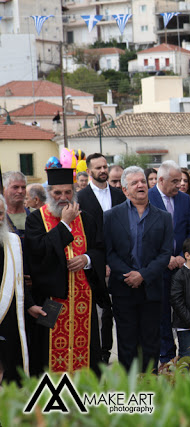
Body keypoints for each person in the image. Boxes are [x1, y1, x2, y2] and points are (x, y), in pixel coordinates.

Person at [25, 167, 107, 375]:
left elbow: (99, 249)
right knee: (46, 353)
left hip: (83, 300)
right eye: (57, 193)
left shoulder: (87, 219)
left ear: (74, 192)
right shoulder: (36, 219)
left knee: (86, 352)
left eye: (67, 192)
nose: (63, 197)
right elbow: (39, 255)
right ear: (49, 193)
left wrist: (87, 259)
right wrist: (64, 224)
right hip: (51, 300)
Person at [103, 166, 173, 372]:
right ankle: (129, 387)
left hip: (151, 288)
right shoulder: (111, 216)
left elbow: (165, 253)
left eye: (143, 181)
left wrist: (143, 275)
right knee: (127, 342)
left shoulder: (163, 217)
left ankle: (150, 386)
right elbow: (109, 252)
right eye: (135, 183)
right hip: (123, 288)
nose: (141, 185)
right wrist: (129, 275)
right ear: (125, 190)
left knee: (151, 341)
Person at [77, 153, 127, 363]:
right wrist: (99, 262)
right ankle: (103, 353)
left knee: (123, 310)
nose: (103, 171)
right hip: (93, 263)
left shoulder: (119, 195)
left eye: (105, 166)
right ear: (89, 172)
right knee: (102, 312)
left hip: (121, 260)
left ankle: (126, 352)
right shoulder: (80, 198)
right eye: (98, 168)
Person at [148, 160, 190, 365]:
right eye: (175, 181)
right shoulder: (148, 198)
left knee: (186, 311)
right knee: (162, 314)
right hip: (159, 267)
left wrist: (185, 255)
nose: (179, 185)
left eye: (180, 180)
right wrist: (164, 257)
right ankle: (167, 355)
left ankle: (189, 356)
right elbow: (144, 234)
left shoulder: (185, 199)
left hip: (182, 266)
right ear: (161, 180)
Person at [0, 195, 29, 384]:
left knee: (9, 366)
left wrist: (31, 304)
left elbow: (20, 278)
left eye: (1, 214)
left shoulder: (12, 241)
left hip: (9, 316)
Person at [2, 171, 30, 238]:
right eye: (15, 187)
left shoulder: (35, 214)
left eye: (23, 187)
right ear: (3, 189)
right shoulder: (1, 216)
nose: (20, 191)